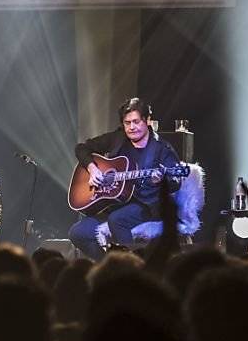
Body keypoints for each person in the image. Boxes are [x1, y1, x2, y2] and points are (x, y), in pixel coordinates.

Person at [68, 97, 180, 260]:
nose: (132, 127)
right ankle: (108, 267)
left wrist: (162, 180)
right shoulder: (117, 138)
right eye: (127, 123)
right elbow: (82, 148)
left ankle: (134, 269)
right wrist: (92, 169)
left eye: (136, 122)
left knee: (117, 220)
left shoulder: (162, 149)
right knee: (77, 233)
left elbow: (176, 181)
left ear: (147, 121)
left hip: (145, 206)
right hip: (113, 205)